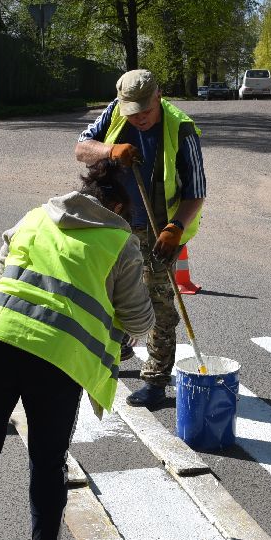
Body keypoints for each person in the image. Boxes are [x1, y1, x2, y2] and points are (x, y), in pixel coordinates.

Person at [0, 167, 154, 540]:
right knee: (46, 459)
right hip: (57, 360)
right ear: (116, 207)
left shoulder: (33, 217)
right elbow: (138, 317)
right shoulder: (119, 242)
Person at [74, 69, 207, 408]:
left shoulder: (182, 129)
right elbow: (81, 149)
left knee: (158, 301)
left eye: (145, 112)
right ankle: (119, 346)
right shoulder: (114, 112)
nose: (139, 119)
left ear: (158, 97)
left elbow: (196, 192)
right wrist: (110, 151)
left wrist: (175, 227)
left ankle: (156, 379)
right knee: (106, 288)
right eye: (133, 113)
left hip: (158, 226)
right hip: (113, 220)